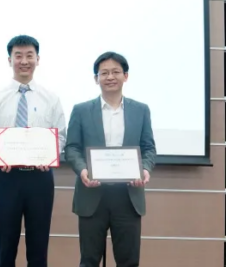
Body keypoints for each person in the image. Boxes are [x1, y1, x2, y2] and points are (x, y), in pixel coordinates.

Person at [0, 35, 67, 267]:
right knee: (5, 248)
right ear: (10, 60)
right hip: (8, 178)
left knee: (38, 249)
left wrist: (49, 156)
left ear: (38, 59)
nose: (24, 61)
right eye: (18, 56)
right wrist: (0, 155)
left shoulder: (51, 98)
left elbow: (61, 137)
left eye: (29, 55)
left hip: (40, 178)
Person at [64, 51, 157, 267]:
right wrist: (82, 170)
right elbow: (72, 148)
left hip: (128, 195)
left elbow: (149, 148)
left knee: (129, 261)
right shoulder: (81, 110)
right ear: (96, 78)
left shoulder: (141, 110)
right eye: (104, 73)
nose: (110, 77)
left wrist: (144, 169)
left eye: (116, 71)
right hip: (91, 195)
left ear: (126, 76)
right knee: (88, 261)